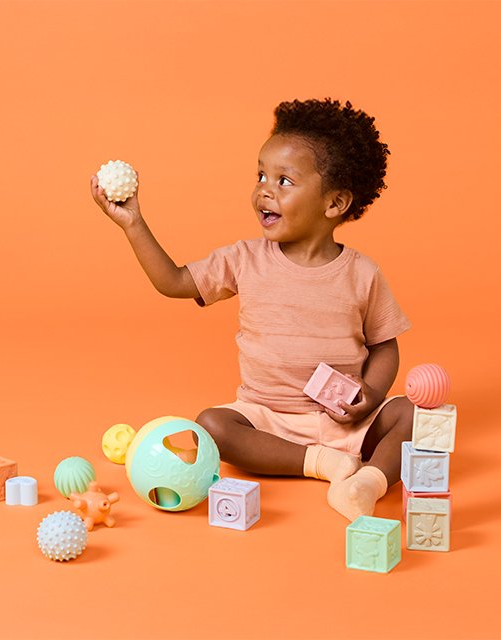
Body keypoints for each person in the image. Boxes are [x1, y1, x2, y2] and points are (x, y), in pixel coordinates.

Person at [90, 98, 414, 521]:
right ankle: (324, 463)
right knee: (213, 426)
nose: (264, 188)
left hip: (348, 420)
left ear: (334, 204)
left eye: (284, 181)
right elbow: (174, 281)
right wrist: (133, 223)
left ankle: (366, 483)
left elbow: (385, 346)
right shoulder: (244, 259)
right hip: (266, 419)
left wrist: (370, 394)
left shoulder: (362, 273)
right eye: (261, 175)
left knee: (413, 414)